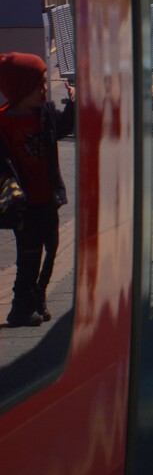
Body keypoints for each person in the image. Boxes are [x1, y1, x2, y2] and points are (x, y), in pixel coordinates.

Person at [0, 52, 75, 328]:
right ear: (20, 91)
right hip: (25, 206)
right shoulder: (3, 123)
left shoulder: (44, 114)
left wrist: (74, 106)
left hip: (47, 199)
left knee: (53, 247)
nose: (46, 90)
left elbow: (64, 127)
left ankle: (38, 295)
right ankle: (20, 309)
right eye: (39, 86)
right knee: (28, 257)